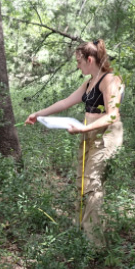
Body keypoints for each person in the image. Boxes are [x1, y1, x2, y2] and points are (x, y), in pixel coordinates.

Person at [25, 39, 124, 246]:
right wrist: (37, 114)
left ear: (90, 59)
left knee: (92, 186)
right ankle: (83, 233)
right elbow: (65, 102)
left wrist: (85, 128)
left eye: (79, 61)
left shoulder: (110, 80)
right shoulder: (89, 82)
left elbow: (112, 115)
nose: (77, 66)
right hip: (88, 134)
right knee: (82, 182)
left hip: (104, 136)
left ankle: (95, 245)